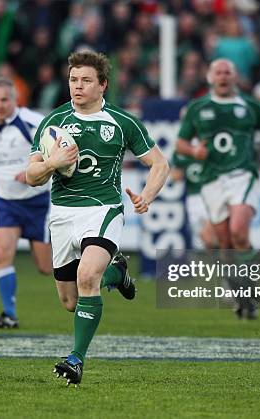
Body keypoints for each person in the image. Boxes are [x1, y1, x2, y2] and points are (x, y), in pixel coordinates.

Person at [26, 51, 169, 386]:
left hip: (103, 209)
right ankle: (117, 273)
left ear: (103, 84)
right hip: (62, 213)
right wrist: (52, 162)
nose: (78, 86)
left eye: (86, 80)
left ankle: (76, 359)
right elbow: (31, 175)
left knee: (87, 275)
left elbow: (160, 164)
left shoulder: (122, 121)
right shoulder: (54, 122)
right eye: (74, 80)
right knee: (70, 301)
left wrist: (146, 197)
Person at [174, 58, 260, 320]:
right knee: (223, 244)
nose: (223, 76)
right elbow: (180, 144)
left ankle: (251, 288)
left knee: (239, 232)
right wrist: (195, 150)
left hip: (242, 175)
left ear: (235, 77)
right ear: (209, 77)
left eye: (228, 72)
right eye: (218, 72)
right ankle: (241, 296)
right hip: (211, 180)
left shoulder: (250, 106)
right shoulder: (198, 108)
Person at [0, 77, 52, 329]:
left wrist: (33, 171)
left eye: (4, 100)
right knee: (2, 253)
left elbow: (56, 154)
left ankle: (101, 272)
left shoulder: (32, 122)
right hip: (5, 203)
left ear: (15, 99)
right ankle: (9, 314)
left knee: (46, 267)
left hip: (36, 203)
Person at [170, 152, 218, 250]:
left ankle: (219, 261)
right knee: (199, 239)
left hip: (209, 196)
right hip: (192, 200)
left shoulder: (210, 145)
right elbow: (176, 177)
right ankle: (205, 262)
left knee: (210, 237)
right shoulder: (182, 152)